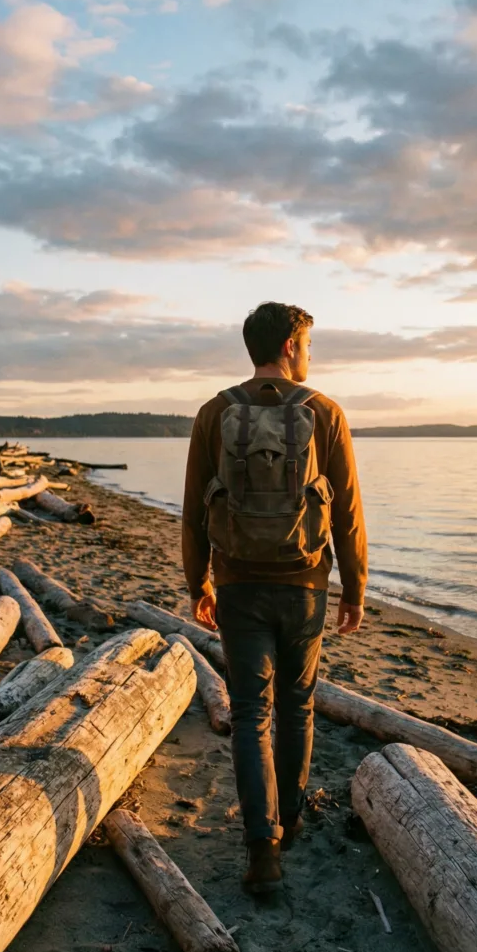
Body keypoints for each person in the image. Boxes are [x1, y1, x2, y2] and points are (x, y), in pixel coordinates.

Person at [181, 302, 368, 893]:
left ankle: (262, 851)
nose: (311, 355)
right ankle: (289, 821)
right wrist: (354, 588)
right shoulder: (326, 413)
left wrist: (199, 583)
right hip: (305, 586)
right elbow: (349, 514)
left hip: (238, 586)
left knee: (250, 716)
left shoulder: (215, 413)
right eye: (309, 344)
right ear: (290, 345)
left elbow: (191, 513)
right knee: (296, 708)